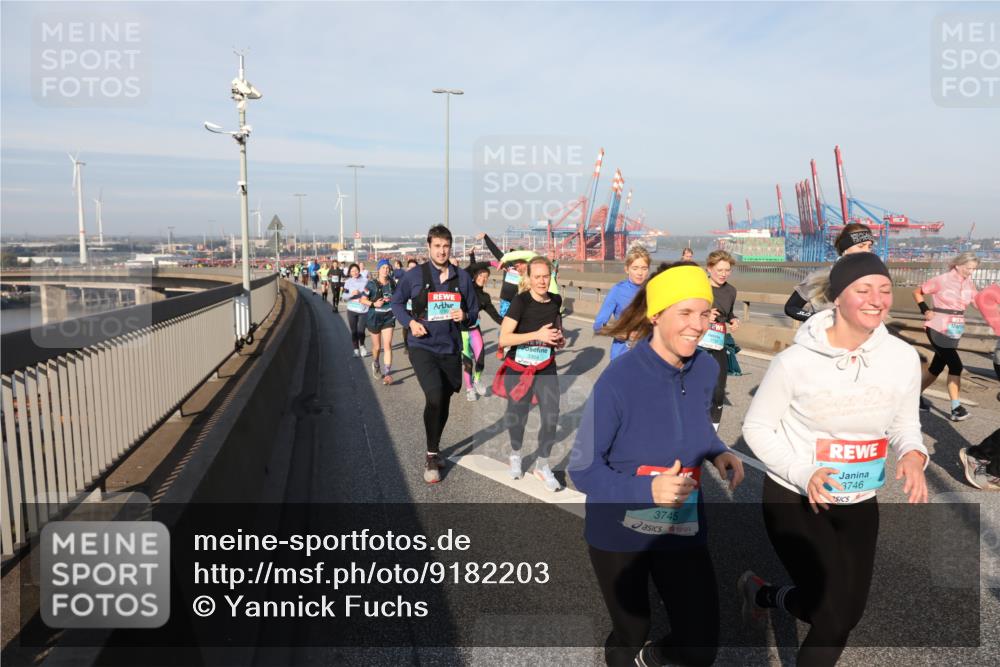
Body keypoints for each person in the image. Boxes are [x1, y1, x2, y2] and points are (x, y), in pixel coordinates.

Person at [740, 252, 929, 667]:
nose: (877, 299)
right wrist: (803, 471)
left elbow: (904, 422)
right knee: (832, 617)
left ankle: (764, 594)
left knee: (845, 614)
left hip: (859, 499)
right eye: (864, 290)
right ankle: (768, 596)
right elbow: (756, 427)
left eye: (884, 289)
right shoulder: (795, 362)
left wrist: (913, 453)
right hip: (796, 498)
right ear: (838, 297)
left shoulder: (901, 357)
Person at [570, 261, 745, 667]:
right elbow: (582, 469)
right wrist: (647, 489)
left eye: (704, 313)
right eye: (685, 313)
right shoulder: (619, 379)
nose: (698, 325)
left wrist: (717, 450)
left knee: (700, 644)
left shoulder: (704, 367)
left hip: (681, 522)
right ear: (656, 315)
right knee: (631, 631)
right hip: (619, 530)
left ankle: (653, 657)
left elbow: (695, 426)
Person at [391, 225, 479, 484]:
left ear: (451, 248)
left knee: (445, 399)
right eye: (437, 246)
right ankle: (431, 456)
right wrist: (410, 323)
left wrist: (465, 315)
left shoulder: (462, 278)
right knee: (434, 395)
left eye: (446, 246)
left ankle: (435, 446)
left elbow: (474, 312)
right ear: (428, 247)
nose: (442, 251)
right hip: (423, 346)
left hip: (450, 347)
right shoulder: (414, 276)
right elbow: (396, 302)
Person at [492, 257, 566, 488]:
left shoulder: (556, 300)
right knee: (518, 415)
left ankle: (542, 465)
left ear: (551, 277)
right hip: (519, 368)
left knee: (551, 416)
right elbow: (504, 339)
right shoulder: (520, 301)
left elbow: (556, 327)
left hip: (545, 367)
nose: (542, 281)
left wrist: (559, 338)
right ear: (529, 278)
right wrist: (536, 335)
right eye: (537, 277)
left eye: (546, 276)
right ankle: (516, 454)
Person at [913, 251, 981, 421]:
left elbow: (977, 302)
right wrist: (925, 310)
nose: (971, 272)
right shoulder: (942, 280)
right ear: (958, 265)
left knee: (936, 367)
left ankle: (913, 397)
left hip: (954, 329)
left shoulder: (969, 283)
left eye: (973, 269)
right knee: (956, 366)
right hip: (937, 326)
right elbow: (917, 292)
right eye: (968, 268)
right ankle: (956, 408)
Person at [784, 223, 875, 321]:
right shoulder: (820, 277)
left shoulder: (873, 279)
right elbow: (791, 307)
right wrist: (815, 318)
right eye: (861, 246)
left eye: (869, 246)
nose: (867, 251)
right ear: (845, 248)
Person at [696, 250, 742, 432]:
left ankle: (711, 434)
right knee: (695, 388)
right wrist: (705, 316)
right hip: (697, 344)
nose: (724, 274)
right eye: (720, 270)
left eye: (727, 270)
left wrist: (734, 319)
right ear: (709, 268)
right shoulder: (700, 289)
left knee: (718, 391)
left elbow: (728, 312)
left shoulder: (731, 291)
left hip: (717, 343)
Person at [594, 245, 650, 360]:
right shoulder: (618, 290)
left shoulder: (653, 289)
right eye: (635, 268)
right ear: (627, 269)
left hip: (647, 355)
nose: (640, 273)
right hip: (622, 354)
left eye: (644, 268)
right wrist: (621, 334)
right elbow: (598, 325)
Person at [462, 262, 503, 400]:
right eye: (480, 275)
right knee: (468, 362)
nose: (483, 278)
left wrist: (511, 325)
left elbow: (495, 316)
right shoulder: (466, 288)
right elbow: (470, 268)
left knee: (480, 359)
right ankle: (469, 389)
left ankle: (476, 380)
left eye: (486, 276)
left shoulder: (485, 297)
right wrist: (490, 263)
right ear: (474, 276)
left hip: (474, 329)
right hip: (461, 331)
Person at [362, 259, 397, 385]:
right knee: (377, 347)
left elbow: (397, 297)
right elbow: (362, 299)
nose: (386, 270)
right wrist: (374, 304)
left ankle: (387, 374)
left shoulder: (392, 283)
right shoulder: (371, 284)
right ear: (378, 269)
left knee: (388, 345)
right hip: (374, 318)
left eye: (388, 268)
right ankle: (376, 363)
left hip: (389, 317)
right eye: (383, 268)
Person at [343, 263, 369, 357]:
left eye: (356, 270)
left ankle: (362, 345)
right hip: (351, 310)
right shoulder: (348, 282)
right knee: (354, 331)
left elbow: (369, 293)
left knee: (361, 330)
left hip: (363, 309)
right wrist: (351, 294)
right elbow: (344, 296)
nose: (354, 272)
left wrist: (363, 294)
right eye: (352, 271)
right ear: (350, 272)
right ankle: (356, 349)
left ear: (359, 270)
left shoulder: (365, 281)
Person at [401, 258, 418, 355]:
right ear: (407, 268)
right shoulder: (403, 280)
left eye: (414, 267)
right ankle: (406, 345)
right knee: (406, 326)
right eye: (410, 267)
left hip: (418, 307)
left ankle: (417, 345)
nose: (412, 269)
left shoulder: (421, 279)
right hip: (407, 307)